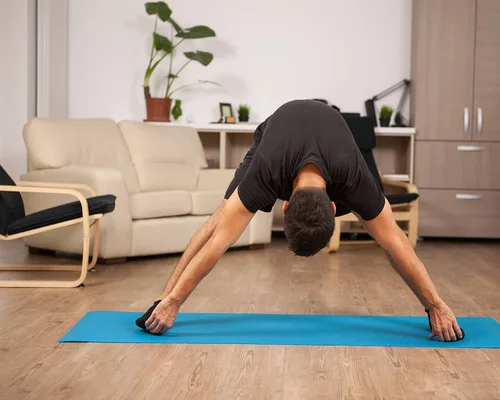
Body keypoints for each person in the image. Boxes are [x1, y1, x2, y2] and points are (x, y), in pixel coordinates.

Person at [136, 99, 464, 342]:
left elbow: (397, 245)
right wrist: (174, 302)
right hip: (273, 136)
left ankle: (168, 302)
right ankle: (161, 301)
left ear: (286, 205)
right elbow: (219, 242)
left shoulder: (354, 176)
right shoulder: (266, 171)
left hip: (327, 145)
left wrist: (435, 304)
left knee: (386, 237)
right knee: (220, 220)